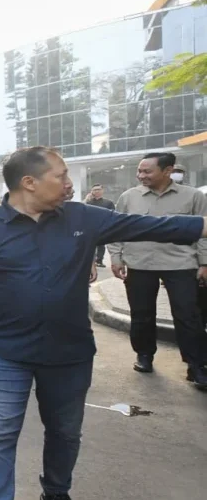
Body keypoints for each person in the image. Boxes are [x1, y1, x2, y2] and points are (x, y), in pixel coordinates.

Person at [0, 146, 207, 500]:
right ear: (29, 183)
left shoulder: (84, 217)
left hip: (68, 352)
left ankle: (56, 494)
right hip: (3, 350)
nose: (69, 183)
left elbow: (150, 225)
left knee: (65, 432)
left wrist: (203, 226)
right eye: (61, 175)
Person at [107, 153, 207, 381]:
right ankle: (144, 355)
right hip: (140, 264)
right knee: (141, 315)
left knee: (189, 316)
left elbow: (204, 232)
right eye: (139, 171)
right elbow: (117, 228)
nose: (141, 176)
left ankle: (197, 365)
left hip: (181, 265)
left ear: (168, 171)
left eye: (147, 171)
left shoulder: (192, 197)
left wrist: (204, 262)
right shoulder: (129, 197)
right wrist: (116, 256)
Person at [83, 184, 115, 267]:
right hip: (90, 227)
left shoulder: (108, 203)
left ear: (102, 191)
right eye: (94, 190)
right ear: (91, 191)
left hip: (103, 226)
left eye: (98, 189)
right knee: (90, 245)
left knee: (101, 245)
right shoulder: (88, 203)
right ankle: (90, 262)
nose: (96, 191)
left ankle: (99, 261)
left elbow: (113, 215)